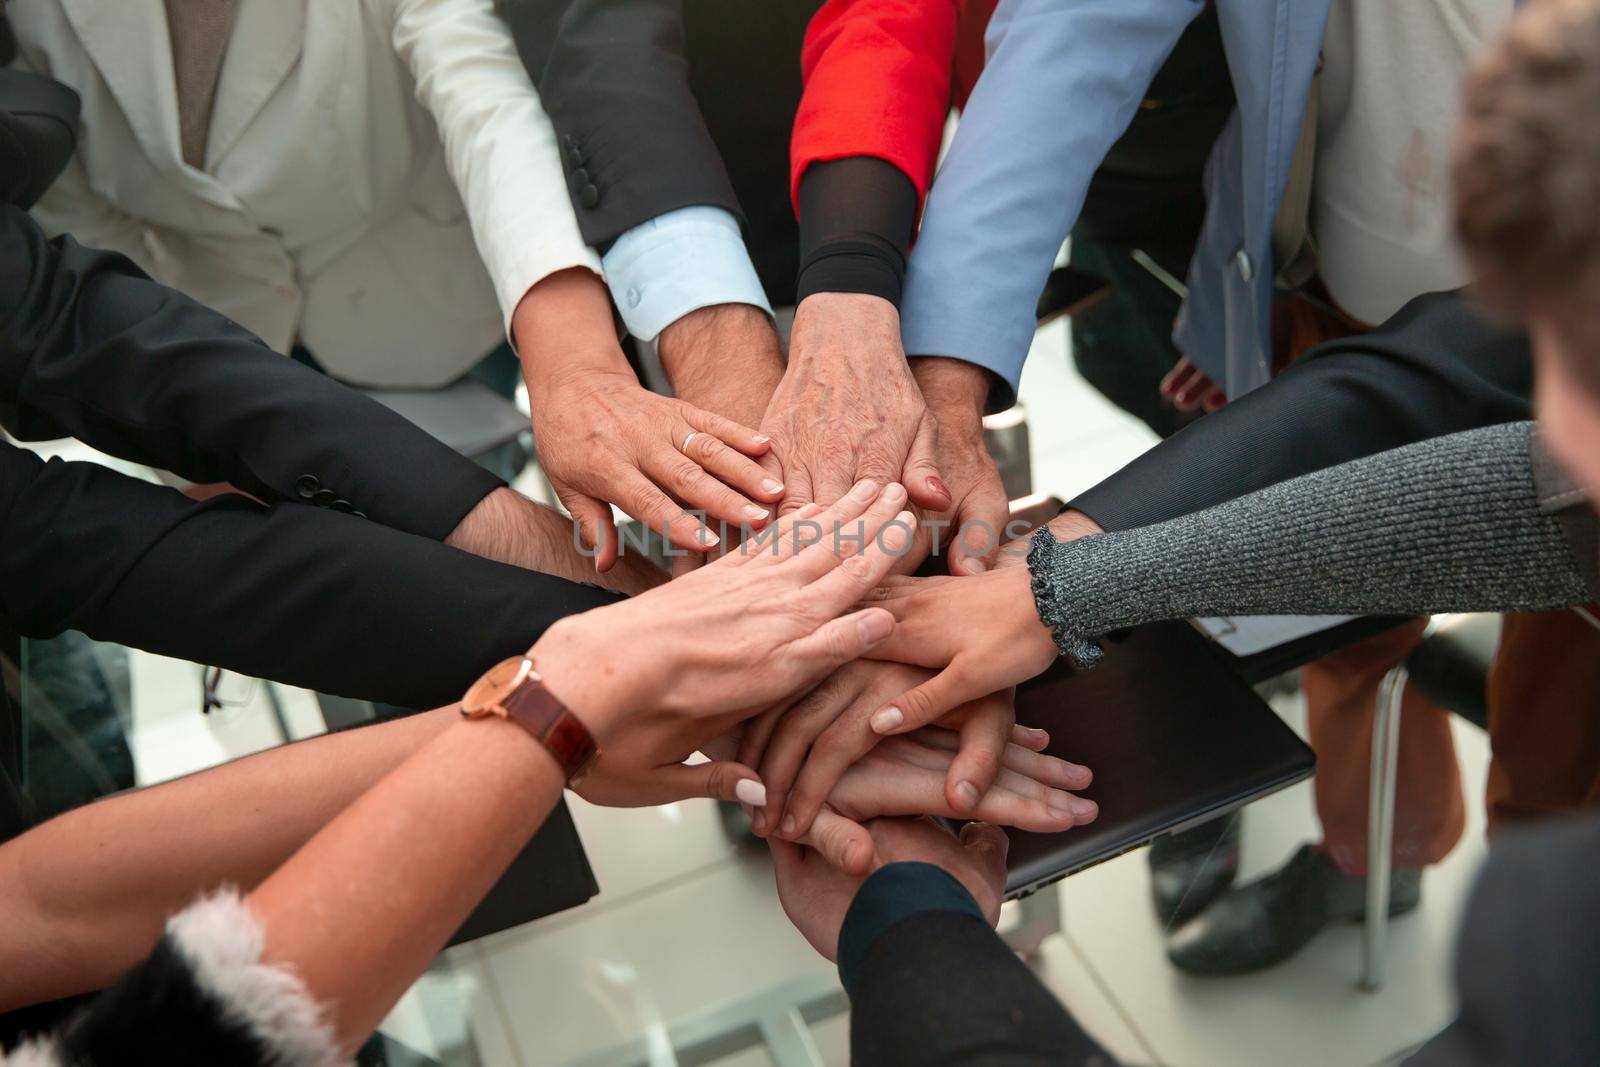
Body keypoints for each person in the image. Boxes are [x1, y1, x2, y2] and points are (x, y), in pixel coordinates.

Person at [772, 5, 1600, 1060]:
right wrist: (1055, 583)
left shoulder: (1544, 925)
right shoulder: (1528, 374)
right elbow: (1503, 474)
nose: (1544, 439)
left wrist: (911, 929)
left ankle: (1382, 857)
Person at [7, 0, 773, 563]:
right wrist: (181, 418)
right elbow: (68, 205)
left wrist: (574, 364)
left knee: (539, 517)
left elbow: (482, 93)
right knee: (389, 598)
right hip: (217, 334)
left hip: (435, 299)